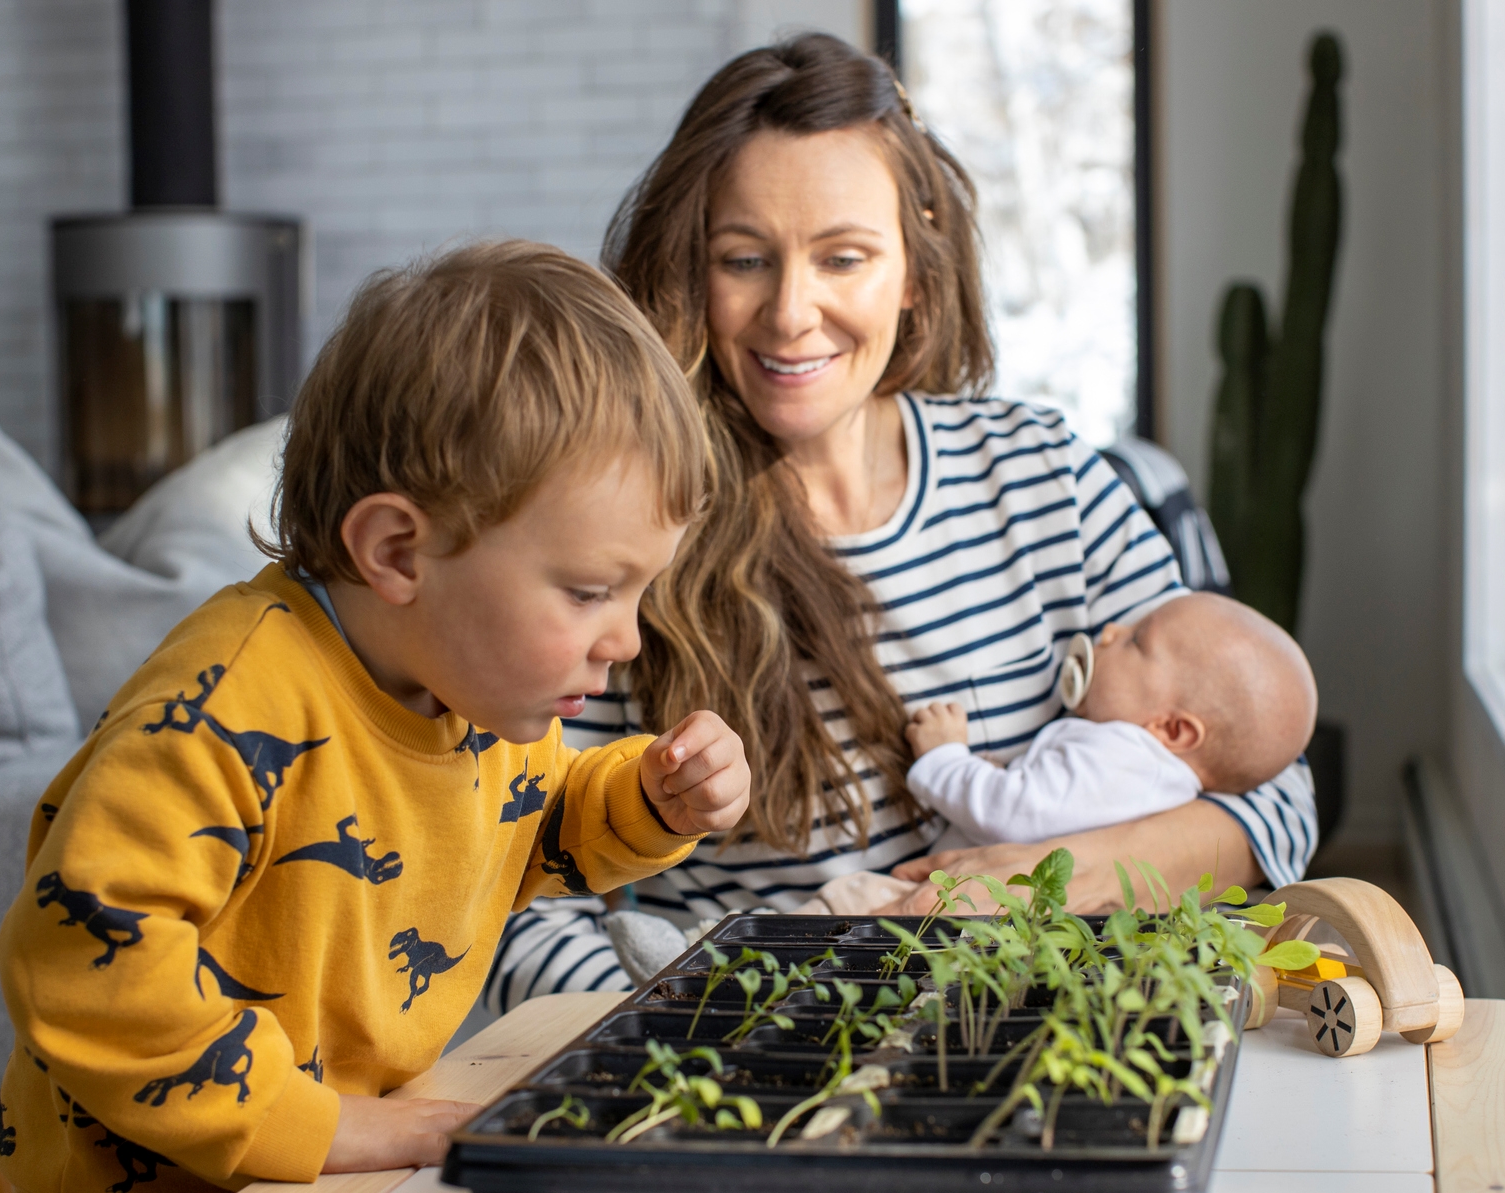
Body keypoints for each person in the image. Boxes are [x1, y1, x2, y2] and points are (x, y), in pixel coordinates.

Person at [487, 34, 1317, 1007]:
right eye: (744, 259)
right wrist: (681, 1038)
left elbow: (1270, 786)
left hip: (1040, 1030)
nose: (792, 312)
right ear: (688, 272)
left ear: (915, 272)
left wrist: (1046, 880)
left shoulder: (1044, 473)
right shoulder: (621, 528)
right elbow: (511, 888)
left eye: (844, 257)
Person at [0, 241, 751, 1190]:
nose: (626, 640)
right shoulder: (227, 705)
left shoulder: (464, 689)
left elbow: (536, 827)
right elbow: (79, 950)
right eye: (591, 590)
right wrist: (313, 1124)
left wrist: (649, 801)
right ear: (397, 551)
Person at [807, 594, 1316, 915]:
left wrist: (945, 760)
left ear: (1172, 728)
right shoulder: (1148, 771)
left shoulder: (1120, 752)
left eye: (1137, 642)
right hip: (1000, 910)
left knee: (841, 902)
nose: (1110, 632)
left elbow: (1017, 814)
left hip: (967, 906)